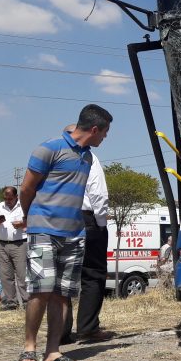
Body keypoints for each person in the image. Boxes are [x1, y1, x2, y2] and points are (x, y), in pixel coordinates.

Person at [19, 104, 111, 361]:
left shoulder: (88, 157)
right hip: (44, 228)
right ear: (94, 129)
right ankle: (29, 348)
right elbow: (26, 188)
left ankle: (53, 352)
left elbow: (74, 131)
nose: (105, 137)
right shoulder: (48, 148)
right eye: (104, 132)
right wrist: (30, 217)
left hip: (74, 233)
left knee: (62, 294)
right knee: (41, 288)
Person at [62, 124, 114, 345]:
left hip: (60, 217)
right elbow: (98, 193)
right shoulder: (89, 158)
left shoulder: (54, 156)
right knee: (92, 275)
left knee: (63, 278)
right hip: (86, 218)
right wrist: (101, 223)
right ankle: (88, 329)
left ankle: (61, 331)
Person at [0, 186, 28, 310]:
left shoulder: (24, 206)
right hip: (3, 244)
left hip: (20, 243)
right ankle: (11, 301)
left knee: (22, 274)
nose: (7, 201)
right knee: (6, 275)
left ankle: (27, 301)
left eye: (10, 198)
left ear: (16, 197)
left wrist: (22, 224)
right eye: (5, 198)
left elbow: (33, 221)